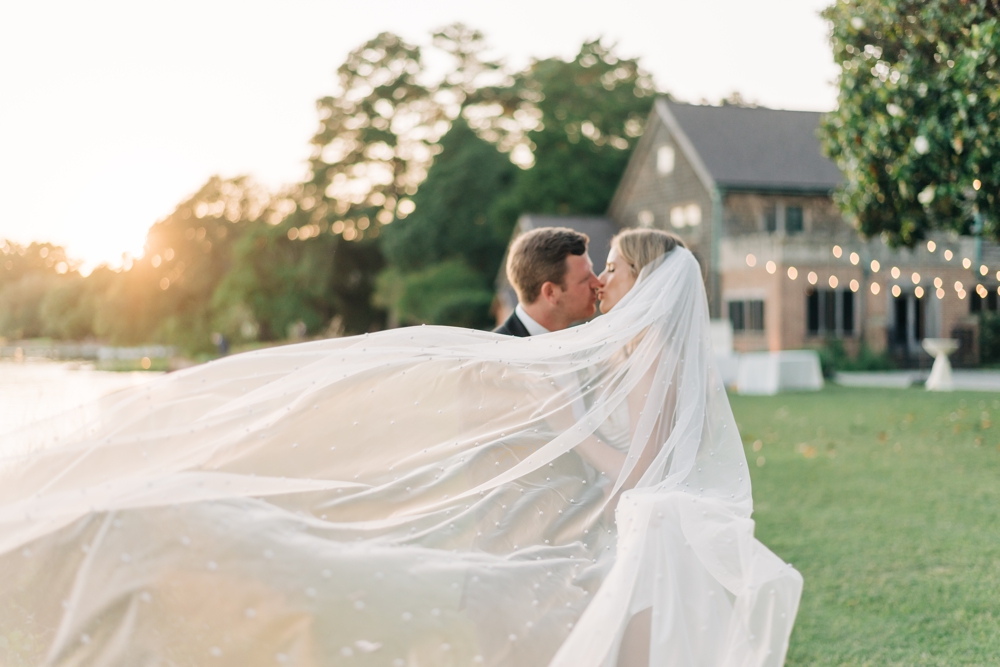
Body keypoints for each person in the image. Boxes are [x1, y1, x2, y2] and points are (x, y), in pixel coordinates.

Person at [1, 228, 802, 667]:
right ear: (548, 288)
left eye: (615, 271)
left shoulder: (621, 360)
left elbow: (633, 467)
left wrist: (579, 444)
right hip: (516, 547)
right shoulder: (514, 363)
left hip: (594, 543)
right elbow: (497, 464)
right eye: (593, 274)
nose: (601, 286)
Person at [494, 227, 601, 336]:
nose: (597, 283)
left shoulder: (578, 338)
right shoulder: (498, 350)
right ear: (550, 292)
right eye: (585, 278)